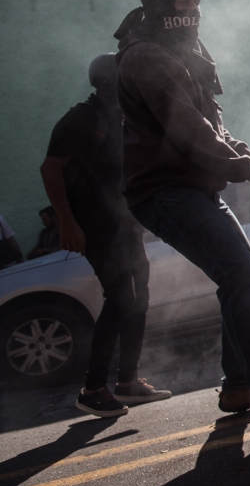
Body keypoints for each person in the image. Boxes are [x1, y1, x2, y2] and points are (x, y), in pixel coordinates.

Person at [113, 0, 250, 435]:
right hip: (164, 192)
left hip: (193, 188)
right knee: (240, 274)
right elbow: (189, 129)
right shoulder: (146, 58)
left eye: (196, 2)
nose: (193, 12)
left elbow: (214, 130)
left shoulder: (184, 52)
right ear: (160, 5)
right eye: (183, 4)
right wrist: (243, 170)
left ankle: (238, 385)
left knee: (239, 278)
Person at [41, 54, 170, 418]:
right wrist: (67, 223)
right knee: (120, 299)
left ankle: (127, 382)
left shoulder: (123, 115)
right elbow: (50, 169)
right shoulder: (83, 118)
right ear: (108, 80)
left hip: (124, 224)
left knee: (139, 296)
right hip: (95, 226)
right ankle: (92, 389)